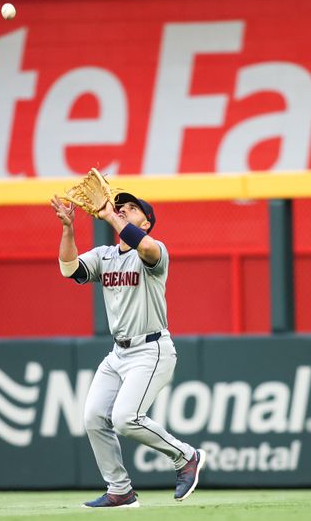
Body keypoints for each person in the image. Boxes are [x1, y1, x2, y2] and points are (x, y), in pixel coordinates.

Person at [50, 191, 205, 508]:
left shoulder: (154, 251)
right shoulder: (105, 255)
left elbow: (144, 247)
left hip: (151, 350)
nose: (121, 210)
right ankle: (119, 490)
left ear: (146, 222)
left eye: (132, 209)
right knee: (94, 417)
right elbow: (70, 268)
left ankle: (186, 457)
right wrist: (68, 228)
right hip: (118, 354)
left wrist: (111, 216)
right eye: (120, 207)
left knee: (125, 418)